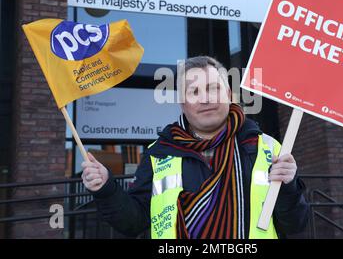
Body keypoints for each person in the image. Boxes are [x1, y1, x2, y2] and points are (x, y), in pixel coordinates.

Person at [82, 56, 309, 239]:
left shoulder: (267, 148)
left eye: (213, 88)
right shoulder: (159, 153)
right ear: (183, 103)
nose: (205, 99)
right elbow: (133, 223)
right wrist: (106, 188)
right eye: (194, 92)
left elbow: (296, 224)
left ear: (229, 95)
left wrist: (289, 188)